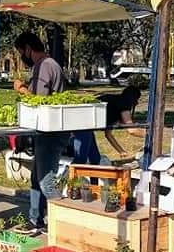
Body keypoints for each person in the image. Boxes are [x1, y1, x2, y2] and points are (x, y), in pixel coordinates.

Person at [13, 31, 68, 233]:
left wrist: (21, 89)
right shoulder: (50, 64)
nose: (22, 56)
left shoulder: (44, 66)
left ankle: (60, 225)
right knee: (37, 177)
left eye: (21, 52)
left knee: (46, 183)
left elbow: (39, 100)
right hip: (48, 130)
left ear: (28, 48)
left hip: (49, 132)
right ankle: (36, 219)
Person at [71, 85, 144, 163]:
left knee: (95, 159)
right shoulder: (124, 102)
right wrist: (151, 136)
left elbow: (108, 134)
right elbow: (131, 130)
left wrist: (121, 151)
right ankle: (74, 174)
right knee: (80, 160)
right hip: (82, 125)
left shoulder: (114, 105)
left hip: (85, 125)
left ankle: (92, 173)